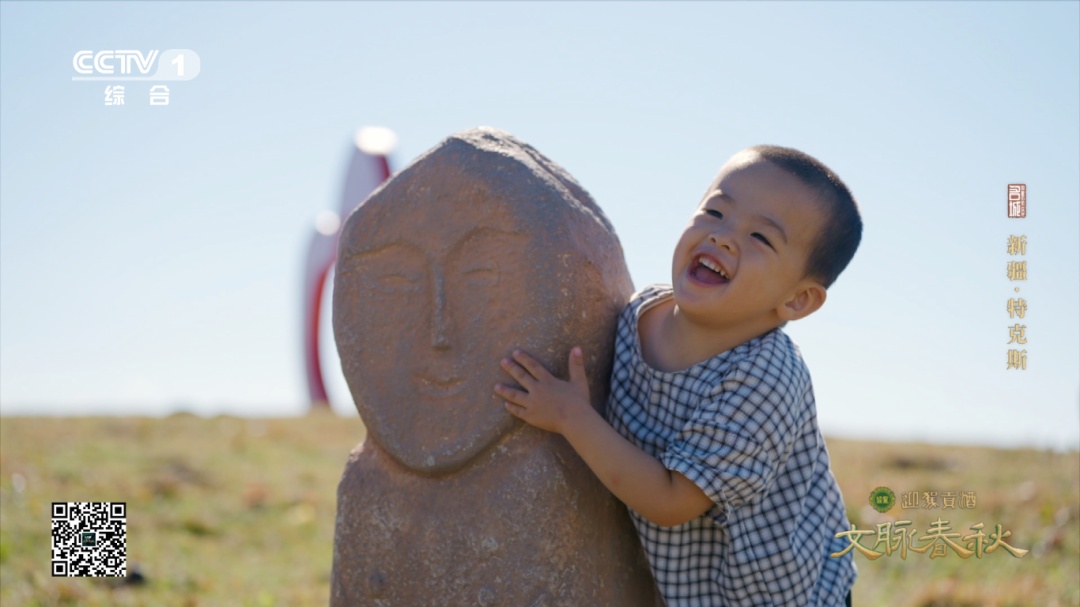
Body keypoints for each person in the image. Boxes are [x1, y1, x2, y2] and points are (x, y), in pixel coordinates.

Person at [493, 145, 861, 606]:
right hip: (683, 583)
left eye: (761, 238)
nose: (723, 238)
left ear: (797, 300)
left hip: (779, 596)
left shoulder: (765, 378)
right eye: (715, 211)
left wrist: (571, 416)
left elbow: (670, 501)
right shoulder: (635, 313)